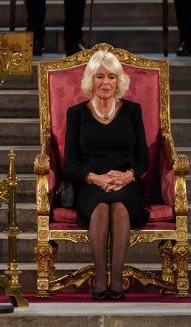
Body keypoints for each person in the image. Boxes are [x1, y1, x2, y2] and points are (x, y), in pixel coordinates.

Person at [64, 50, 148, 301]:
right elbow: (70, 161)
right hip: (90, 182)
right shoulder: (76, 113)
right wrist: (95, 178)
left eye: (112, 77)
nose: (106, 83)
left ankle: (117, 279)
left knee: (120, 208)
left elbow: (144, 157)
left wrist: (128, 176)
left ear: (119, 81)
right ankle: (101, 277)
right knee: (100, 207)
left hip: (126, 180)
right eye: (100, 76)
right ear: (91, 81)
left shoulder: (133, 111)